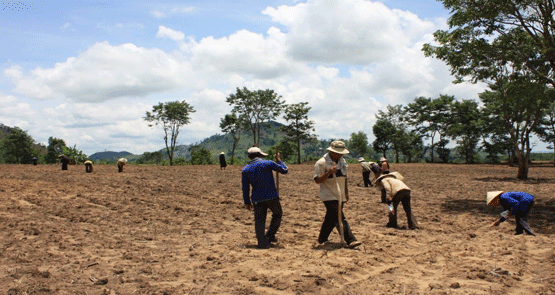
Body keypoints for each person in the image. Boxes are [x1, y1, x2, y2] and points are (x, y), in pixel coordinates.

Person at [314, 141, 362, 249]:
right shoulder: (321, 163)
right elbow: (317, 180)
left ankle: (322, 238)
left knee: (331, 218)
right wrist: (328, 173)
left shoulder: (343, 162)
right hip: (328, 194)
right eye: (338, 153)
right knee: (339, 217)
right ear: (331, 151)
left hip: (340, 194)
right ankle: (351, 240)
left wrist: (346, 193)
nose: (340, 155)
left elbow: (344, 179)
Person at [241, 147, 288, 249]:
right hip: (271, 196)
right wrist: (280, 161)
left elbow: (245, 188)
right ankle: (270, 235)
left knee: (259, 221)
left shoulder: (245, 169)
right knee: (277, 214)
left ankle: (262, 242)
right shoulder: (268, 163)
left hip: (257, 198)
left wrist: (247, 202)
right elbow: (284, 170)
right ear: (259, 155)